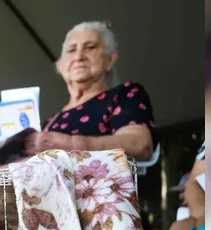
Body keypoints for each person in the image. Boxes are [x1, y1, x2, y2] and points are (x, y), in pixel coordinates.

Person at [24, 21, 156, 161]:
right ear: (60, 66)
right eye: (71, 50)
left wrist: (69, 144)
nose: (79, 56)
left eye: (90, 47)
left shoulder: (124, 95)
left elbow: (139, 144)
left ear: (110, 59)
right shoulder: (50, 122)